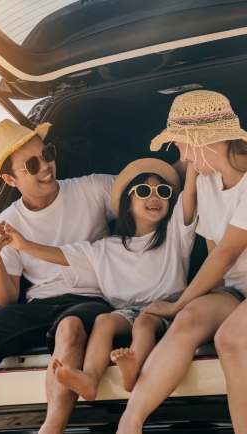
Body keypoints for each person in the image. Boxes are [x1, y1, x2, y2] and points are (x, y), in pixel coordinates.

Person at [0, 119, 117, 434]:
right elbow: (7, 300)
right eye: (33, 164)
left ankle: (51, 429)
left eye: (47, 153)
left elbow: (150, 190)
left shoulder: (94, 188)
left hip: (92, 299)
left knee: (70, 328)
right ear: (10, 178)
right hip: (38, 306)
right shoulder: (8, 220)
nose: (46, 165)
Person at [2, 158, 198, 402]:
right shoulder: (106, 247)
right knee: (104, 321)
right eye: (144, 191)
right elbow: (64, 256)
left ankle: (133, 371)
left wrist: (192, 154)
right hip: (125, 312)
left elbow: (190, 191)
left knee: (144, 324)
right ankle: (90, 379)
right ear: (126, 204)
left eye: (163, 191)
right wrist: (24, 245)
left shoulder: (176, 233)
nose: (155, 197)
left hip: (166, 310)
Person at [116, 90, 247, 434]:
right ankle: (129, 425)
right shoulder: (206, 183)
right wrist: (184, 308)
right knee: (187, 321)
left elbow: (226, 252)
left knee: (230, 339)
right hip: (237, 288)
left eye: (181, 145)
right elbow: (218, 261)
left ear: (204, 140)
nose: (182, 155)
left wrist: (177, 303)